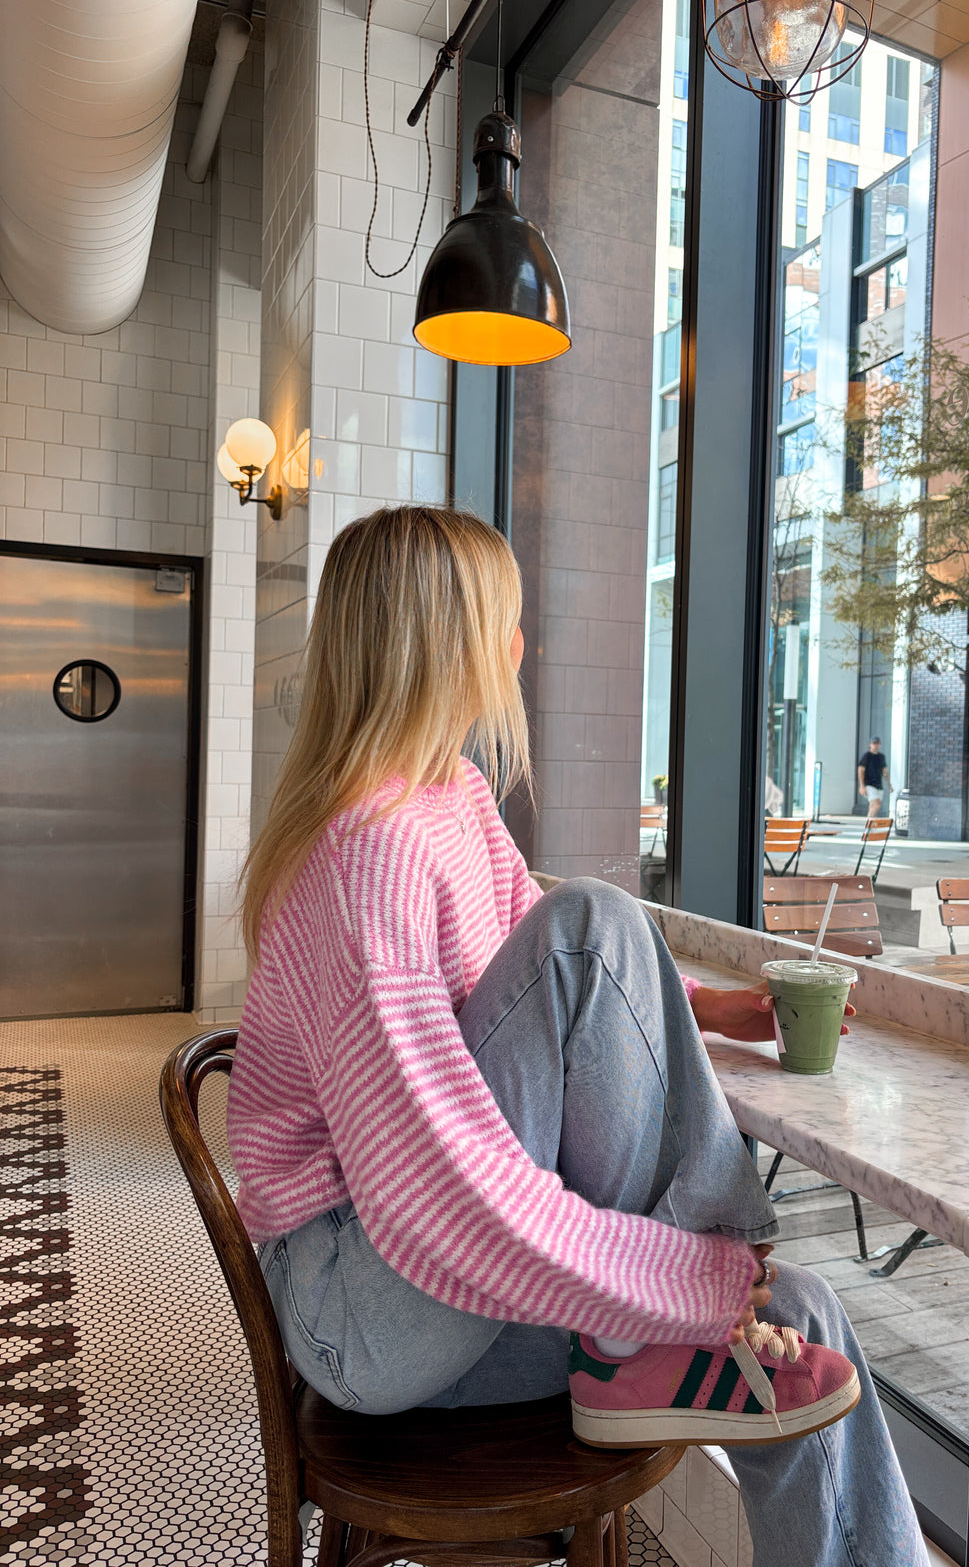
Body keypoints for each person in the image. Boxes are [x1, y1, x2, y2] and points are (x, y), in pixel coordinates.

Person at [228, 506, 925, 1567]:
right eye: (503, 621)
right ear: (444, 642)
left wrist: (705, 1007)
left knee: (809, 1322)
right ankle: (676, 1296)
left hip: (432, 1268)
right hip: (364, 1310)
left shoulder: (451, 797)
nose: (520, 646)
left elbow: (551, 992)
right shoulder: (362, 859)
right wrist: (691, 1278)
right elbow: (439, 1195)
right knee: (595, 920)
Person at [857, 736, 892, 820]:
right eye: (874, 743)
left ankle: (871, 826)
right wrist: (862, 785)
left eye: (877, 743)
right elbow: (861, 770)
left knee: (873, 806)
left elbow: (885, 771)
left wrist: (889, 784)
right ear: (870, 745)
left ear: (879, 745)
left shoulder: (881, 757)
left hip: (879, 785)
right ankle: (869, 823)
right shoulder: (866, 756)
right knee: (877, 804)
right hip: (869, 784)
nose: (875, 745)